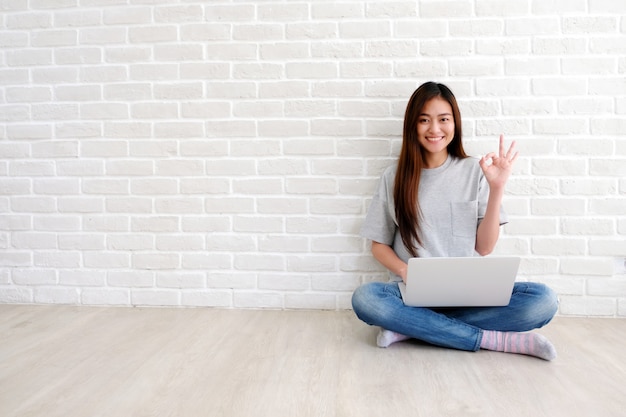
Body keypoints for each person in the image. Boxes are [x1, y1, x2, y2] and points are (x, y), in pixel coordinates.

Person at [351, 81, 558, 361]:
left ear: (455, 124)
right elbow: (379, 246)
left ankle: (414, 328)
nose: (434, 129)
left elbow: (484, 248)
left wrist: (497, 188)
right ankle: (489, 339)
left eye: (443, 119)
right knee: (366, 298)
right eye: (424, 120)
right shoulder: (394, 177)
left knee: (543, 300)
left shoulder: (475, 171)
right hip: (410, 294)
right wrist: (404, 271)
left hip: (468, 295)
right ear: (412, 126)